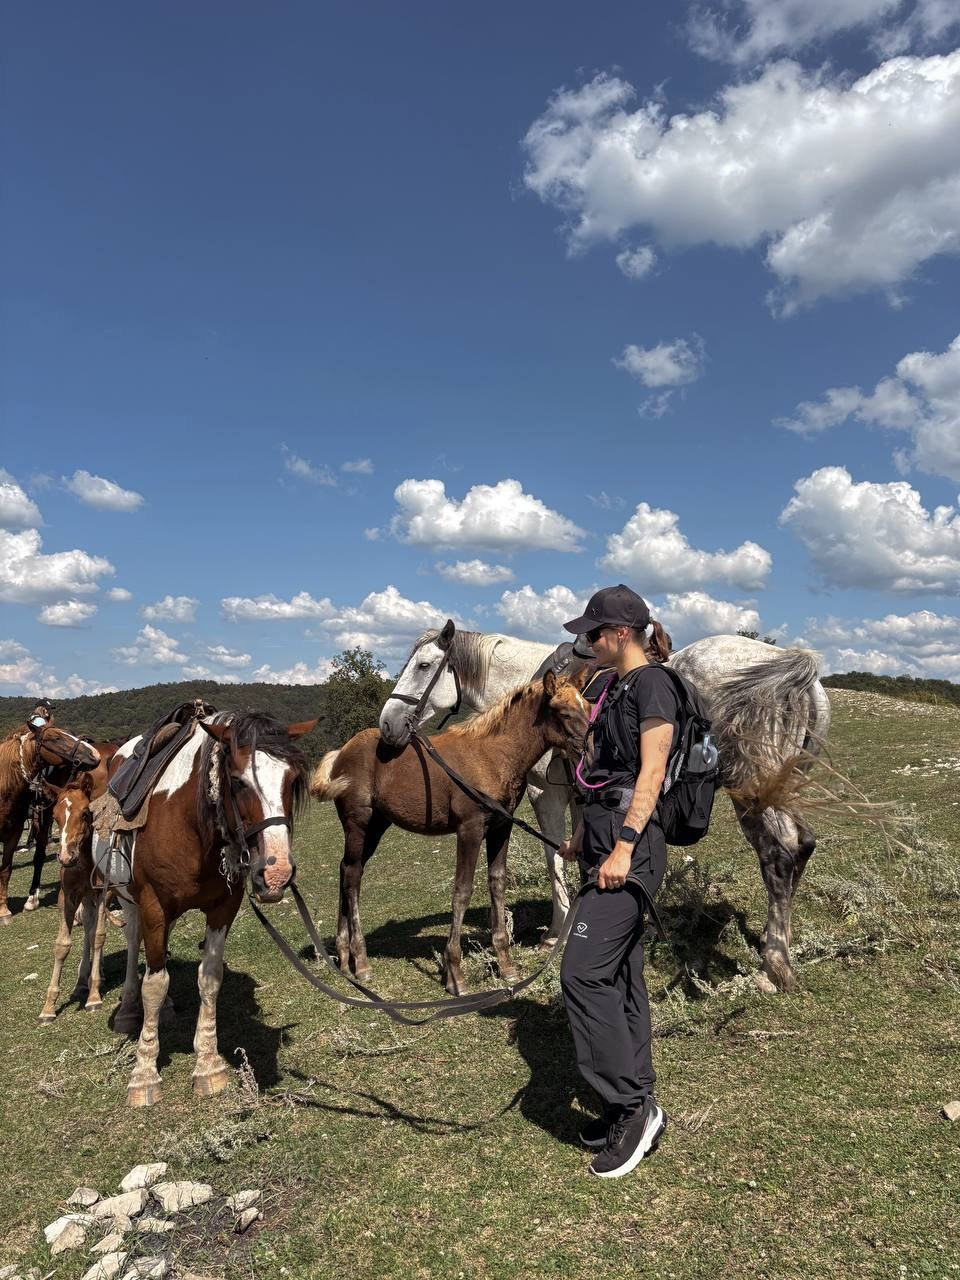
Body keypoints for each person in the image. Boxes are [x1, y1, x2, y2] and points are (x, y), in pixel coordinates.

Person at [558, 584, 679, 1178]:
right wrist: (584, 833)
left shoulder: (654, 683)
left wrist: (625, 845)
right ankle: (632, 1099)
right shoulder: (611, 686)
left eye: (595, 632)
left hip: (632, 846)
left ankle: (632, 1107)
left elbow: (652, 769)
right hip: (603, 838)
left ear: (622, 633)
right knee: (620, 972)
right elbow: (603, 771)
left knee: (581, 971)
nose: (588, 641)